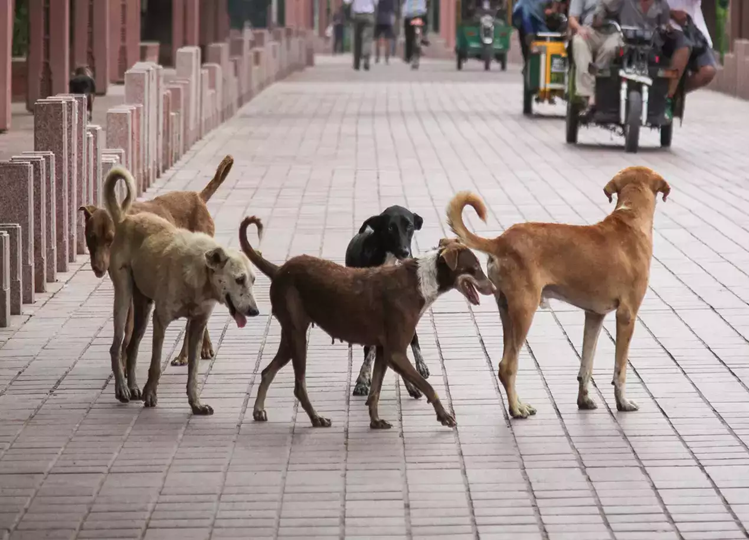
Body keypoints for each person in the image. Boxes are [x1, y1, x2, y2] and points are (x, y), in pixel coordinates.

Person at [593, 0, 687, 120]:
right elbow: (603, 4)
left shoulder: (662, 6)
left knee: (661, 66)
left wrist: (667, 30)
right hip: (623, 40)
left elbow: (663, 28)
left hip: (649, 47)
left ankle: (662, 103)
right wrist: (599, 17)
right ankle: (596, 94)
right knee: (608, 49)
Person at [668, 0, 716, 95]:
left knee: (707, 71)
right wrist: (670, 13)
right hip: (659, 24)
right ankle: (667, 97)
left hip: (690, 27)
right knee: (683, 49)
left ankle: (674, 94)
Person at [345, 0, 378, 70]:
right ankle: (366, 58)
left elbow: (346, 1)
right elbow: (376, 2)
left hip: (357, 16)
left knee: (357, 39)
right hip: (369, 15)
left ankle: (357, 63)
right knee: (368, 39)